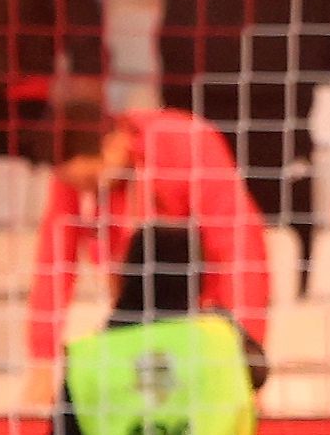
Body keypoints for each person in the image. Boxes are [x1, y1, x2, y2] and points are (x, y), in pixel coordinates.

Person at [25, 100, 269, 411]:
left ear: (115, 143)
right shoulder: (74, 176)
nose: (87, 191)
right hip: (133, 307)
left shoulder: (185, 143)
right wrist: (42, 359)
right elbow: (55, 261)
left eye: (91, 181)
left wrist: (243, 357)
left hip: (206, 307)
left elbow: (238, 251)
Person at [54, 223, 261, 435]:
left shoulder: (90, 356)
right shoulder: (223, 338)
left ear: (126, 275)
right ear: (198, 278)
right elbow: (260, 372)